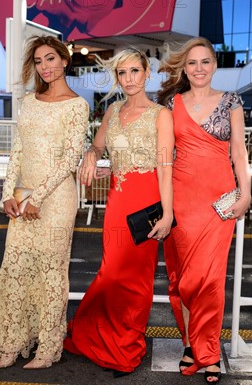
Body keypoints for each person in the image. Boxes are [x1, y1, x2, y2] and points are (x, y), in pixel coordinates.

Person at [63, 48, 175, 377]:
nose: (129, 79)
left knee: (136, 281)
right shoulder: (112, 111)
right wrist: (91, 156)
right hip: (117, 200)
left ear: (146, 73)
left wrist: (167, 214)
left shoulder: (160, 115)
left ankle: (127, 348)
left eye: (134, 72)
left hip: (146, 201)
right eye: (122, 73)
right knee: (111, 275)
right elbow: (98, 145)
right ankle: (95, 332)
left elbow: (165, 166)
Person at [0, 36, 89, 369]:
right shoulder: (29, 100)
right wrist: (9, 196)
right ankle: (11, 343)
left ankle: (48, 348)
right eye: (39, 61)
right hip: (24, 194)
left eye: (51, 59)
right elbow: (19, 150)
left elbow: (71, 158)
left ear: (65, 60)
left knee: (52, 272)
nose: (45, 66)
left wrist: (37, 198)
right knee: (16, 268)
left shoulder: (77, 105)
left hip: (56, 198)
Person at [156, 37, 251, 384]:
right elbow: (164, 159)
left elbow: (239, 152)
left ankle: (207, 351)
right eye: (192, 63)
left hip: (218, 201)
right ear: (184, 67)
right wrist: (166, 207)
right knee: (184, 280)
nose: (199, 68)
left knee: (208, 280)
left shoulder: (231, 102)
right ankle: (189, 343)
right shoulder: (170, 104)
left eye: (205, 62)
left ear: (215, 65)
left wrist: (246, 192)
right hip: (182, 201)